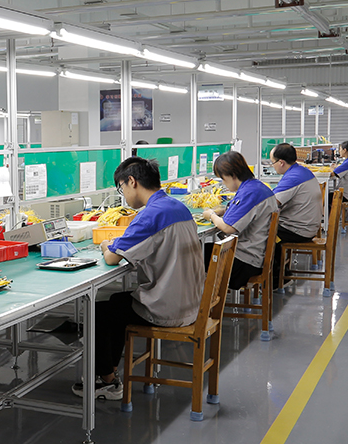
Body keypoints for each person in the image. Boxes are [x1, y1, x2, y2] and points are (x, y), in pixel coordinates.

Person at [74, 156, 204, 400]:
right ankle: (110, 372)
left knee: (98, 313)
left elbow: (112, 258)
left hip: (168, 308)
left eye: (121, 187)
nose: (123, 194)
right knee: (117, 303)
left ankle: (106, 382)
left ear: (131, 182)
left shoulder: (151, 214)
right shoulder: (177, 207)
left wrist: (105, 244)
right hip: (192, 302)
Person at [202, 151, 277, 289]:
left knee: (195, 254)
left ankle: (204, 299)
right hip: (256, 255)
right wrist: (223, 211)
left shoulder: (249, 193)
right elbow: (246, 210)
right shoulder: (256, 186)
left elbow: (228, 227)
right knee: (203, 250)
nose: (223, 183)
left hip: (244, 263)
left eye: (223, 179)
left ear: (233, 175)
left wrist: (211, 215)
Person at [269, 142, 323, 287]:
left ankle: (276, 278)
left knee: (262, 232)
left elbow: (271, 203)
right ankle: (281, 272)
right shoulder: (301, 171)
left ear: (281, 162)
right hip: (309, 225)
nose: (272, 166)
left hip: (299, 229)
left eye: (272, 162)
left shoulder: (293, 177)